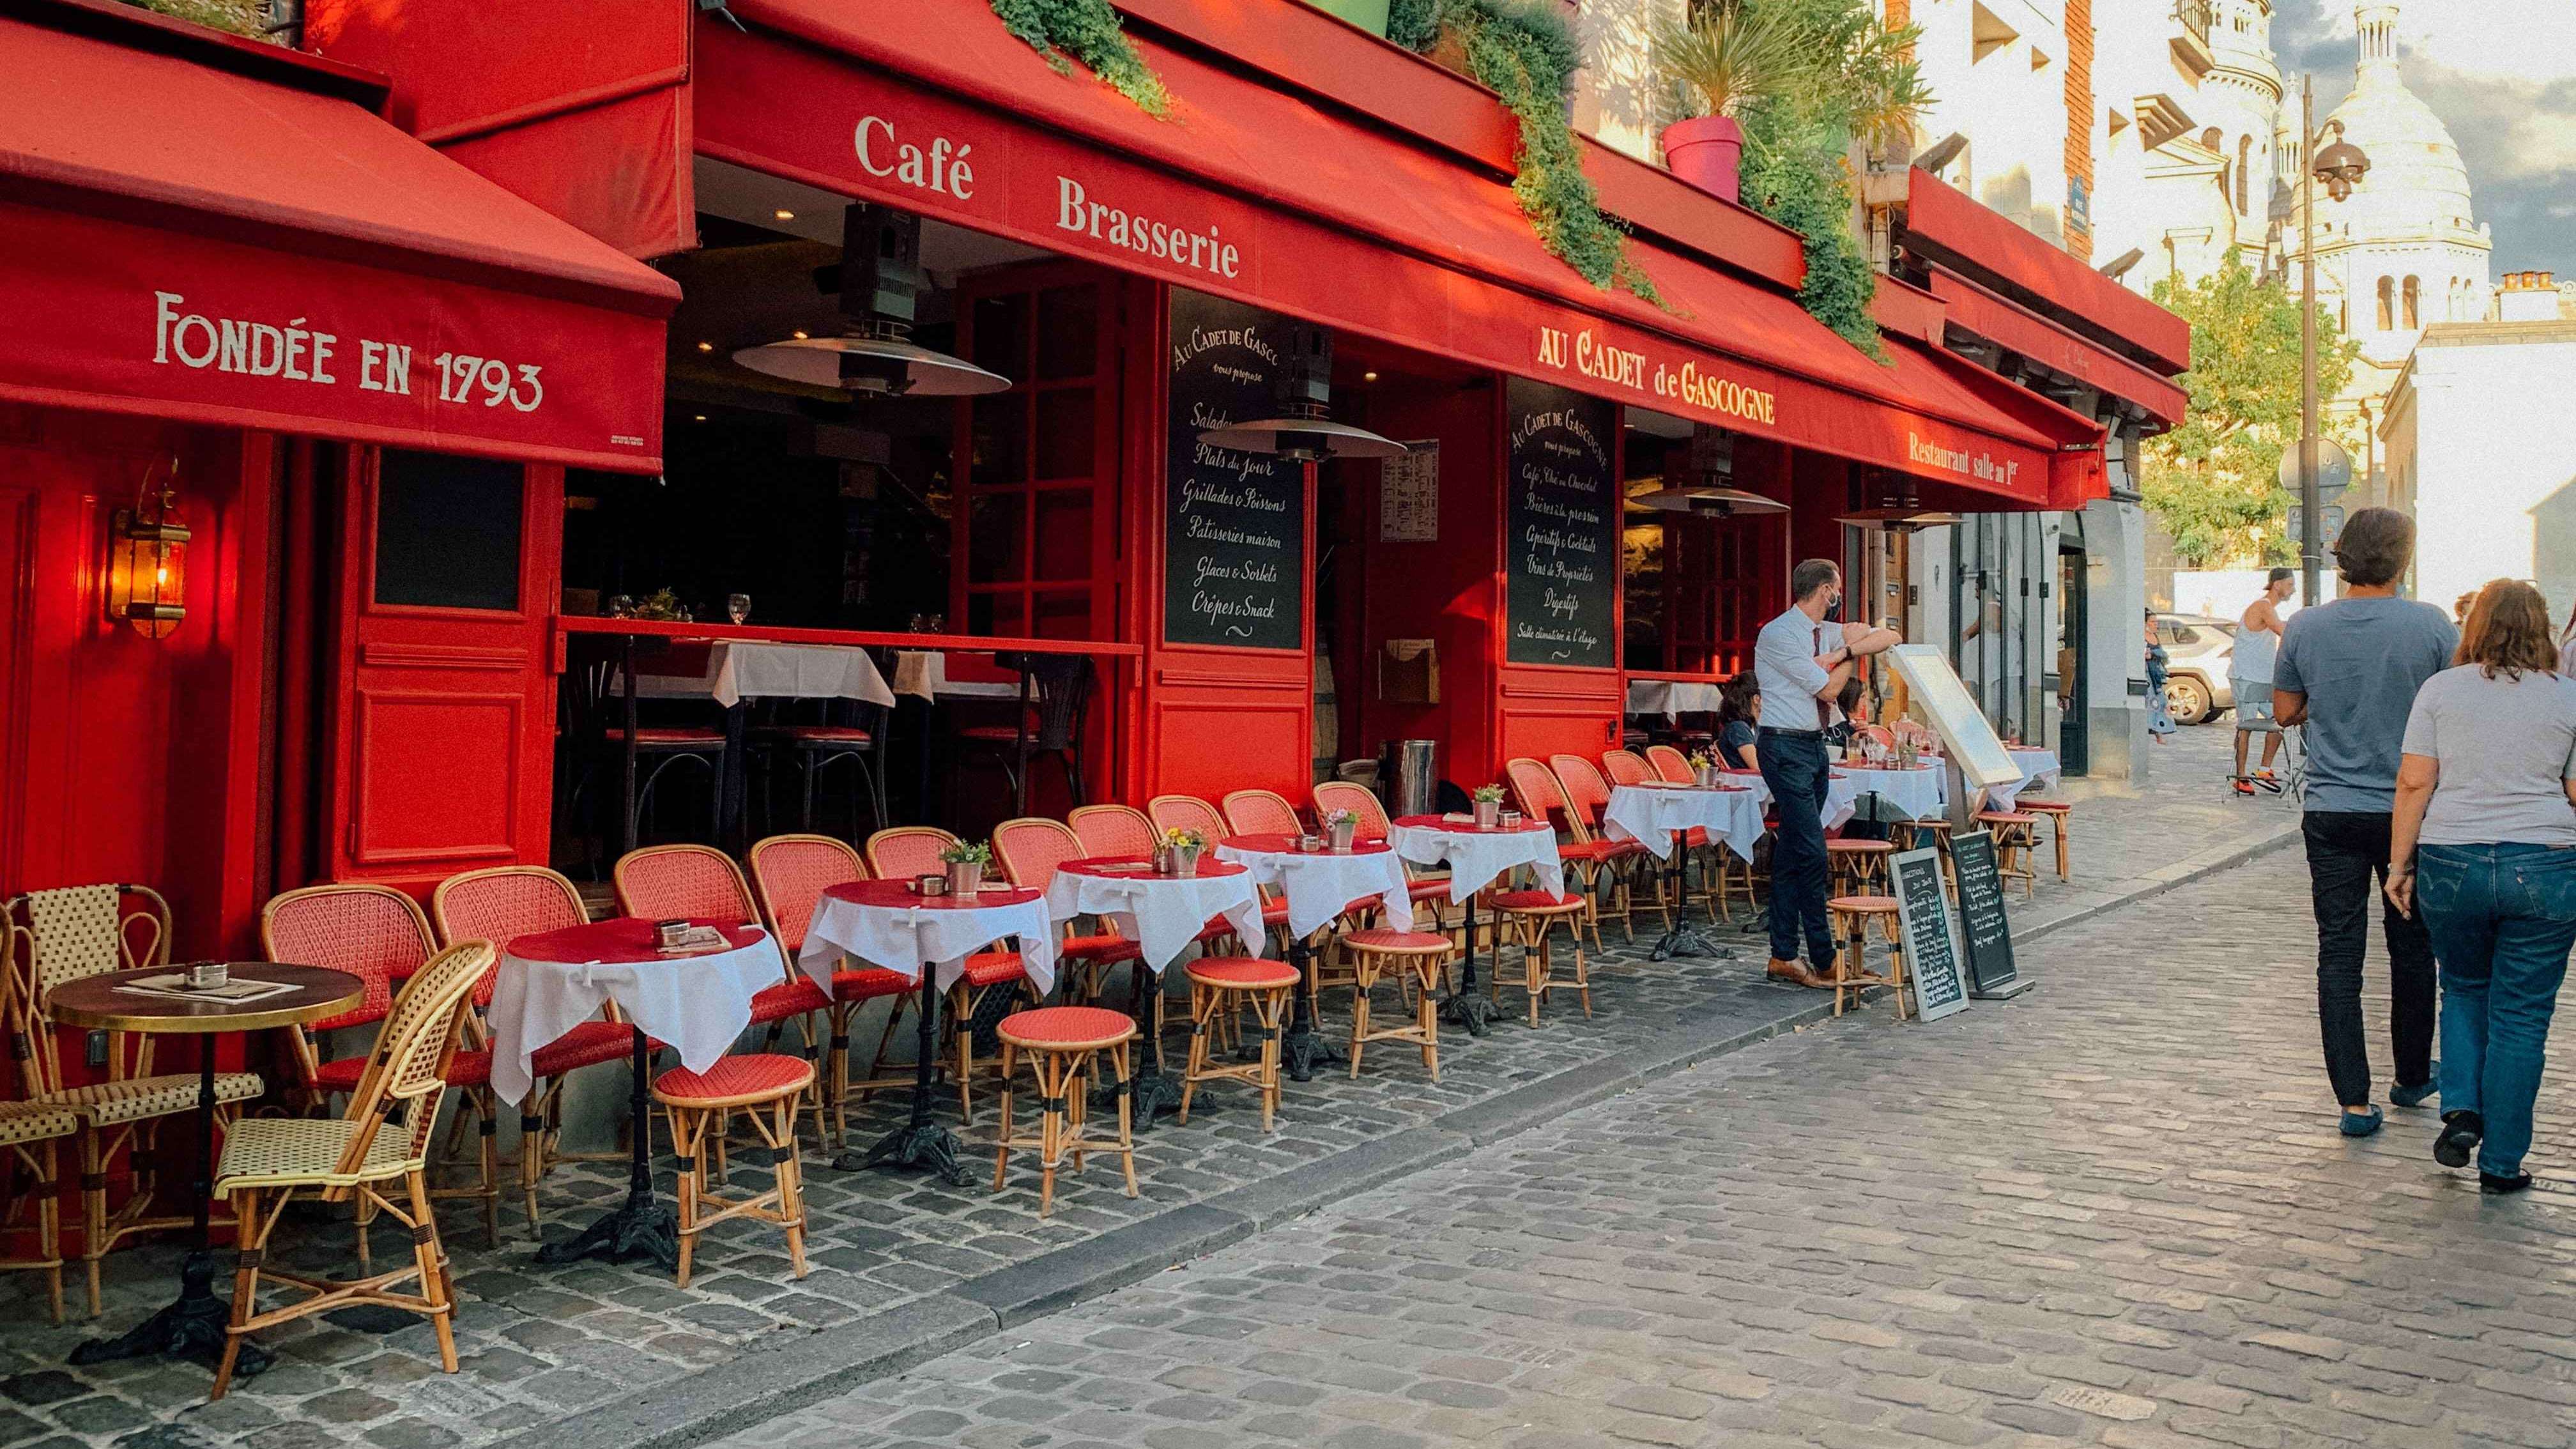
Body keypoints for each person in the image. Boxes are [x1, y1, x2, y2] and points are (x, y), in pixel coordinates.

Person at [2386, 579, 2576, 1195]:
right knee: (2523, 1017)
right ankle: (2502, 1164)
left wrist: (2398, 866)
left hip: (2452, 858)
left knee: (2463, 989)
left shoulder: (2440, 691)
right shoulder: (2569, 698)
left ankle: (2462, 1109)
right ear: (2541, 628)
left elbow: (2415, 783)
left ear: (2475, 627)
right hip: (2544, 862)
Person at [2271, 509, 2456, 1137]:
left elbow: (2285, 710)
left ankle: (2353, 1101)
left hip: (2331, 809)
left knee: (2339, 953)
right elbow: (2453, 708)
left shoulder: (2304, 625)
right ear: (2402, 559)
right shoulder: (2432, 625)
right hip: (2413, 811)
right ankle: (2411, 1075)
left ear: (2342, 555)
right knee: (2413, 945)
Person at [1754, 559, 1899, 988]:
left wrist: (1844, 650)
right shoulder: (1780, 634)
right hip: (1783, 746)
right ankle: (1824, 958)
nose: (1839, 598)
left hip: (1813, 747)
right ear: (1825, 591)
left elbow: (1891, 635)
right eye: (1836, 590)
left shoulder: (1829, 636)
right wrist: (1853, 656)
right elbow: (1830, 690)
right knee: (1814, 852)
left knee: (1792, 852)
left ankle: (1782, 954)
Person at [2230, 567, 2294, 794]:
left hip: (2264, 680)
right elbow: (2281, 630)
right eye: (2290, 584)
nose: (2293, 590)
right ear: (2277, 584)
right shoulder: (2263, 607)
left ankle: (2265, 769)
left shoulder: (2271, 610)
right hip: (2246, 678)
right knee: (2245, 727)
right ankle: (2240, 776)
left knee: (2281, 719)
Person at [1715, 670, 1760, 771]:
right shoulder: (1738, 728)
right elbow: (1758, 766)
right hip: (1743, 783)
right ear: (1756, 699)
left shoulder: (1755, 726)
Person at [2145, 610, 2177, 742]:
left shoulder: (2155, 637)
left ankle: (2160, 730)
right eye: (2153, 622)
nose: (2156, 624)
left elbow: (2164, 654)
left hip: (2156, 674)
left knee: (2160, 702)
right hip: (2147, 673)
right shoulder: (2141, 636)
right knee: (2151, 702)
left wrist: (2153, 654)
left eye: (2156, 622)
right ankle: (2154, 730)